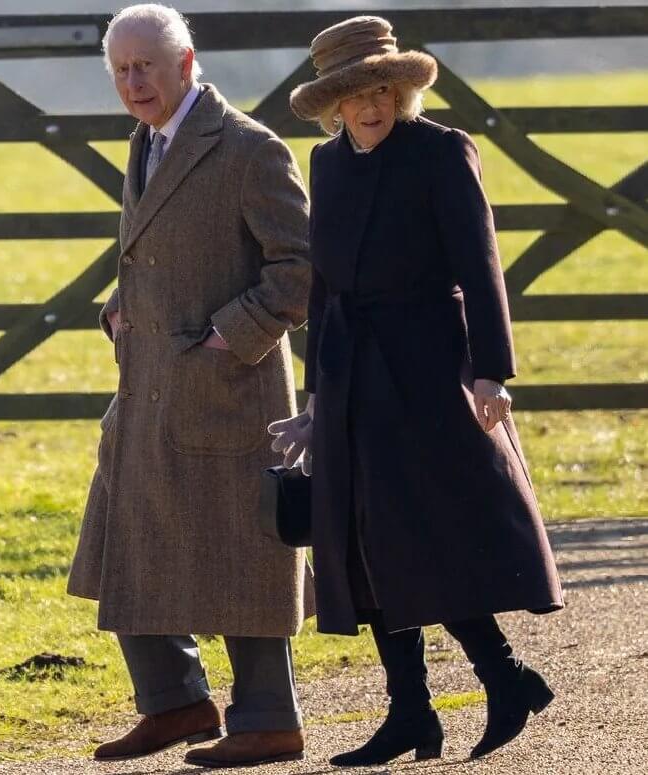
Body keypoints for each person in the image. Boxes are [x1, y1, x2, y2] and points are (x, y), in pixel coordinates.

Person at [269, 15, 564, 766]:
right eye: (353, 94)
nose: (370, 104)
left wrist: (491, 370)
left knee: (427, 534)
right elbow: (325, 290)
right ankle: (414, 712)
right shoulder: (326, 164)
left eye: (382, 87)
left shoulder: (439, 152)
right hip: (348, 376)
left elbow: (480, 263)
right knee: (364, 547)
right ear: (331, 106)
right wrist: (312, 401)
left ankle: (503, 673)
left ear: (401, 90)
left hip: (430, 372)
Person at [67, 4, 313, 768]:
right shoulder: (145, 142)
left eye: (146, 65)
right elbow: (154, 255)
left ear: (187, 61)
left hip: (227, 390)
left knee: (242, 553)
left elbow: (300, 270)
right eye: (121, 70)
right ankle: (176, 703)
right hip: (146, 387)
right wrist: (119, 307)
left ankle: (270, 719)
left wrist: (225, 337)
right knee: (125, 539)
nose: (134, 82)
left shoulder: (248, 149)